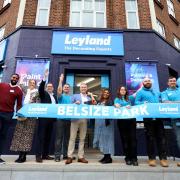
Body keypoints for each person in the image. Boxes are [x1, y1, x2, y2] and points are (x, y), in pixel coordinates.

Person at [135, 77, 168, 167]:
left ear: (151, 82)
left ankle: (163, 159)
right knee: (150, 139)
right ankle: (152, 158)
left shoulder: (157, 92)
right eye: (146, 81)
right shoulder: (140, 92)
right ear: (143, 83)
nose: (148, 82)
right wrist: (142, 103)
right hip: (148, 119)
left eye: (149, 80)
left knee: (161, 138)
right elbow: (136, 102)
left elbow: (162, 102)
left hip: (158, 118)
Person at [65, 83, 96, 164]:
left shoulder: (89, 98)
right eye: (82, 87)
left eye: (85, 87)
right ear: (80, 88)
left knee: (82, 138)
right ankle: (70, 156)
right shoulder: (74, 96)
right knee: (72, 138)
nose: (83, 88)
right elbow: (69, 105)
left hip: (84, 119)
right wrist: (75, 104)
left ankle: (80, 157)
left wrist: (92, 95)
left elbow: (94, 104)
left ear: (87, 88)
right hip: (75, 119)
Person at [10, 79, 39, 163]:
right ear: (28, 83)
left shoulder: (37, 92)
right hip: (22, 115)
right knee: (19, 135)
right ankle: (20, 155)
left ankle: (24, 156)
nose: (32, 84)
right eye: (31, 83)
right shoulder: (25, 91)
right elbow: (20, 84)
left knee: (27, 136)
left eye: (34, 83)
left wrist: (32, 103)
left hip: (30, 116)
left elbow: (38, 103)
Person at [0, 73, 23, 164]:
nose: (14, 79)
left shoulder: (19, 91)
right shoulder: (2, 85)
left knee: (3, 135)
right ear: (10, 77)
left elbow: (19, 104)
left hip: (8, 114)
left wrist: (19, 114)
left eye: (16, 78)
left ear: (18, 80)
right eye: (13, 77)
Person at [35, 70, 57, 163]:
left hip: (51, 120)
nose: (49, 87)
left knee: (48, 137)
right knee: (41, 137)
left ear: (53, 88)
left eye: (51, 86)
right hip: (43, 119)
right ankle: (38, 156)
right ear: (46, 87)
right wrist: (44, 78)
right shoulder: (44, 94)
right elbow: (40, 89)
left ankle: (45, 154)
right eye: (48, 86)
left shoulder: (54, 96)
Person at [114, 86, 138, 166]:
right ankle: (127, 158)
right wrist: (116, 105)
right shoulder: (117, 99)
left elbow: (137, 94)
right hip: (122, 122)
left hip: (131, 121)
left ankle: (134, 158)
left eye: (124, 89)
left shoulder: (130, 98)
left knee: (133, 140)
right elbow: (115, 104)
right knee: (125, 140)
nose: (123, 90)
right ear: (119, 91)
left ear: (126, 91)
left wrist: (131, 107)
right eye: (121, 89)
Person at [161, 76, 180, 167]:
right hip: (175, 119)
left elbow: (170, 102)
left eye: (174, 81)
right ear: (168, 83)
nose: (172, 82)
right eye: (171, 81)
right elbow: (165, 102)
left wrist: (173, 102)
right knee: (179, 139)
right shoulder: (164, 93)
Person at [93, 89, 114, 164]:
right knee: (102, 140)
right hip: (99, 124)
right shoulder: (99, 102)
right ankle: (105, 156)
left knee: (107, 140)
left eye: (108, 93)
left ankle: (109, 158)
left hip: (107, 124)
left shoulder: (110, 102)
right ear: (102, 94)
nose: (106, 94)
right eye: (104, 92)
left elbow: (112, 111)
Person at [54, 74, 71, 162]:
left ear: (69, 89)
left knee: (67, 139)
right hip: (60, 119)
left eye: (68, 87)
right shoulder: (60, 96)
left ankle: (65, 155)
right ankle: (57, 156)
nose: (66, 88)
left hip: (69, 120)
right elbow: (59, 91)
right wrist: (61, 81)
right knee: (59, 138)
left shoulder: (72, 98)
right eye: (65, 87)